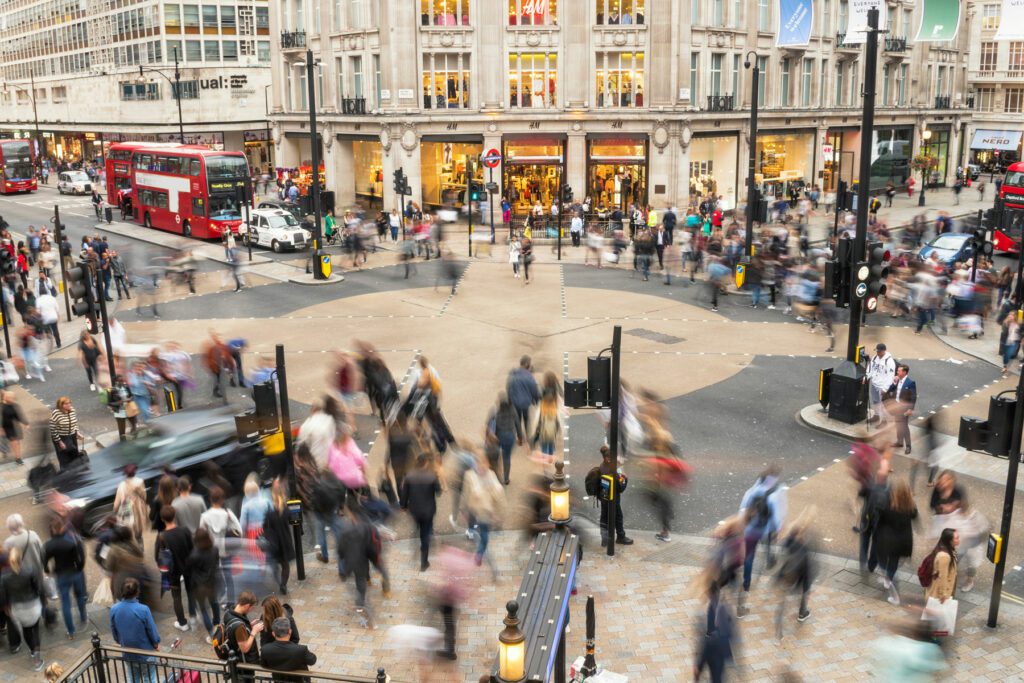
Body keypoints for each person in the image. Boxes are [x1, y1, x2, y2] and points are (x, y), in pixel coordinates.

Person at [736, 465, 786, 615]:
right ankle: (770, 557)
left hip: (751, 530)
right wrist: (777, 529)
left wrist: (741, 524)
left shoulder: (754, 489)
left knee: (749, 557)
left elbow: (743, 507)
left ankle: (746, 582)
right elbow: (776, 516)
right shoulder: (775, 493)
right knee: (769, 544)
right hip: (765, 530)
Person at [872, 478, 917, 606]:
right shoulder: (910, 506)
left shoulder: (887, 504)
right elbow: (914, 516)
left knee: (882, 561)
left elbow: (879, 519)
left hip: (887, 540)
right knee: (893, 563)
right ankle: (888, 578)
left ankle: (894, 594)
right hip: (902, 541)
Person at [42, 517, 87, 639]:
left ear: (52, 529)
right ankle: (83, 618)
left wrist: (48, 570)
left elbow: (44, 561)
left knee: (65, 602)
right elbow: (80, 559)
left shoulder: (49, 545)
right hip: (75, 573)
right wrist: (79, 568)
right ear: (62, 527)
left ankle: (71, 631)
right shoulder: (72, 541)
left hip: (61, 575)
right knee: (79, 596)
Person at [110, 578, 161, 683]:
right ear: (137, 592)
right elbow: (151, 630)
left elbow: (114, 631)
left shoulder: (114, 609)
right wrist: (156, 643)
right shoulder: (143, 609)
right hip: (145, 653)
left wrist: (121, 642)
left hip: (128, 652)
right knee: (150, 679)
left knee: (133, 678)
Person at [198, 486, 242, 603]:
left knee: (215, 576)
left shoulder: (205, 517)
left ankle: (219, 599)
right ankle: (230, 602)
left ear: (210, 500)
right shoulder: (228, 514)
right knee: (229, 577)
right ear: (222, 499)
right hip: (226, 550)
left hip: (211, 552)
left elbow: (201, 535)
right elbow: (239, 531)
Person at [155, 505, 194, 632]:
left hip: (172, 572)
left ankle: (182, 623)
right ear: (175, 516)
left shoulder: (161, 536)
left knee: (176, 597)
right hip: (188, 568)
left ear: (162, 519)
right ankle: (193, 616)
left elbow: (157, 557)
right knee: (191, 593)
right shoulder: (185, 530)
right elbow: (192, 549)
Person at [402, 452, 441, 571]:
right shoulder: (432, 476)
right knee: (425, 535)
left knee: (419, 528)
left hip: (415, 510)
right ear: (426, 463)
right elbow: (438, 492)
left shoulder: (409, 476)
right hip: (428, 511)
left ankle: (417, 534)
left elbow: (404, 495)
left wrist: (403, 506)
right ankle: (424, 562)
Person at [693, 581, 734, 683]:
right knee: (718, 673)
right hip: (720, 647)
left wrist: (698, 666)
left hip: (714, 646)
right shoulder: (721, 606)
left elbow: (707, 645)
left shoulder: (714, 608)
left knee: (716, 676)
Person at [263, 478, 296, 595]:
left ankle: (277, 582)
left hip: (274, 542)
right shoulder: (286, 510)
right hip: (285, 541)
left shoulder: (269, 512)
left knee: (275, 564)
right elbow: (293, 521)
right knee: (285, 565)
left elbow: (265, 527)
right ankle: (283, 584)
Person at [597, 445, 634, 548]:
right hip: (613, 499)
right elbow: (620, 488)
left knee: (604, 518)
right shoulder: (613, 471)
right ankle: (621, 537)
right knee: (618, 517)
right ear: (608, 458)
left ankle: (604, 540)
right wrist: (625, 479)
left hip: (604, 497)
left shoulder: (602, 466)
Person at [188, 527, 221, 642]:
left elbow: (190, 569)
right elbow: (216, 563)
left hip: (199, 586)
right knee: (214, 603)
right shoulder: (215, 549)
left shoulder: (194, 555)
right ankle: (217, 624)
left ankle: (212, 634)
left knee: (203, 609)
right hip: (212, 582)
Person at [261, 616, 317, 682]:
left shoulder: (266, 649)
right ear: (290, 632)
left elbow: (264, 664)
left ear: (273, 634)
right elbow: (312, 660)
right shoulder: (301, 650)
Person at [486, 393, 522, 485]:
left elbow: (488, 423)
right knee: (506, 457)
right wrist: (520, 437)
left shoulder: (495, 410)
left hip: (498, 437)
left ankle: (496, 476)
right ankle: (506, 478)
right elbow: (518, 424)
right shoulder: (513, 410)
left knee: (496, 457)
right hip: (510, 437)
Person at [224, 591, 264, 668]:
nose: (251, 610)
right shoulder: (239, 627)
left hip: (235, 656)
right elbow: (244, 648)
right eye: (251, 608)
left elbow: (235, 634)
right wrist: (253, 632)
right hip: (243, 664)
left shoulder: (228, 613)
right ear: (247, 606)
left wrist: (249, 626)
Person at [506, 355, 540, 442]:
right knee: (526, 419)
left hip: (515, 402)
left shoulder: (513, 374)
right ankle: (527, 436)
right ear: (526, 364)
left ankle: (520, 437)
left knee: (517, 420)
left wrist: (509, 401)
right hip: (525, 403)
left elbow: (509, 388)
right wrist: (536, 400)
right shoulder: (529, 376)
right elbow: (534, 389)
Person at [112, 464, 148, 547]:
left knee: (129, 533)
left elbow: (117, 502)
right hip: (138, 510)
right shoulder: (140, 481)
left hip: (127, 510)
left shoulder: (122, 485)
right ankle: (140, 549)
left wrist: (115, 510)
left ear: (125, 474)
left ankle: (132, 549)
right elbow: (144, 496)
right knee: (138, 533)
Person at [887, 364, 917, 454]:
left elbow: (913, 397)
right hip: (897, 407)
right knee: (898, 424)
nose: (897, 372)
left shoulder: (910, 383)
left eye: (899, 371)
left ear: (904, 372)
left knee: (904, 426)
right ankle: (899, 442)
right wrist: (894, 383)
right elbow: (890, 391)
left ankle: (908, 446)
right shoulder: (897, 380)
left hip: (904, 408)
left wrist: (910, 409)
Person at [864, 343, 896, 426]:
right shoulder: (875, 357)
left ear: (884, 351)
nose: (877, 353)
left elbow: (890, 376)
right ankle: (877, 415)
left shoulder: (889, 361)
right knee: (875, 401)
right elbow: (870, 369)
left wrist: (885, 389)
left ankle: (884, 421)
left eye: (879, 351)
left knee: (883, 404)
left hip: (882, 387)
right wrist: (866, 377)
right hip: (874, 384)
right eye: (877, 351)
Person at [925, 528, 959, 604]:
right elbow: (942, 576)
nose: (959, 540)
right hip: (939, 594)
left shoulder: (947, 549)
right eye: (956, 538)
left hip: (941, 589)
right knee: (937, 613)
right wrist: (943, 594)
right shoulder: (944, 556)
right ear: (950, 541)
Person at [49, 396, 82, 470]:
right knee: (63, 458)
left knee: (74, 454)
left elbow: (75, 422)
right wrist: (59, 442)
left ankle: (75, 471)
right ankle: (65, 473)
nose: (69, 405)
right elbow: (52, 428)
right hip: (61, 437)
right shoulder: (56, 413)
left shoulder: (72, 410)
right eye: (66, 404)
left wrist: (77, 432)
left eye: (69, 403)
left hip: (72, 435)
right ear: (61, 405)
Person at [1, 391, 29, 465]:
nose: (12, 399)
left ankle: (18, 458)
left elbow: (20, 415)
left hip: (14, 426)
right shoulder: (1, 406)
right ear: (6, 398)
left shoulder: (15, 405)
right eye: (10, 398)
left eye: (12, 398)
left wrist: (26, 423)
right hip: (4, 427)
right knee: (9, 442)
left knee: (16, 442)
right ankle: (6, 452)